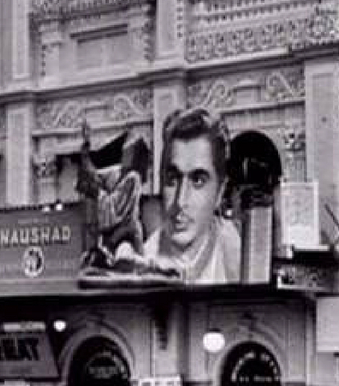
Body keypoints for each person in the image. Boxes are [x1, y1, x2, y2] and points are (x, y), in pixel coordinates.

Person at [143, 108, 241, 284]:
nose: (180, 201)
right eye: (172, 179)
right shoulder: (145, 260)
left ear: (220, 192)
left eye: (198, 181)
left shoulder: (236, 254)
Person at [78, 121, 151, 271]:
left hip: (127, 231)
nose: (125, 154)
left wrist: (99, 193)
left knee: (134, 268)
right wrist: (85, 149)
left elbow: (115, 205)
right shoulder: (116, 174)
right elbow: (93, 176)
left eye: (128, 152)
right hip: (112, 234)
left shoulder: (132, 178)